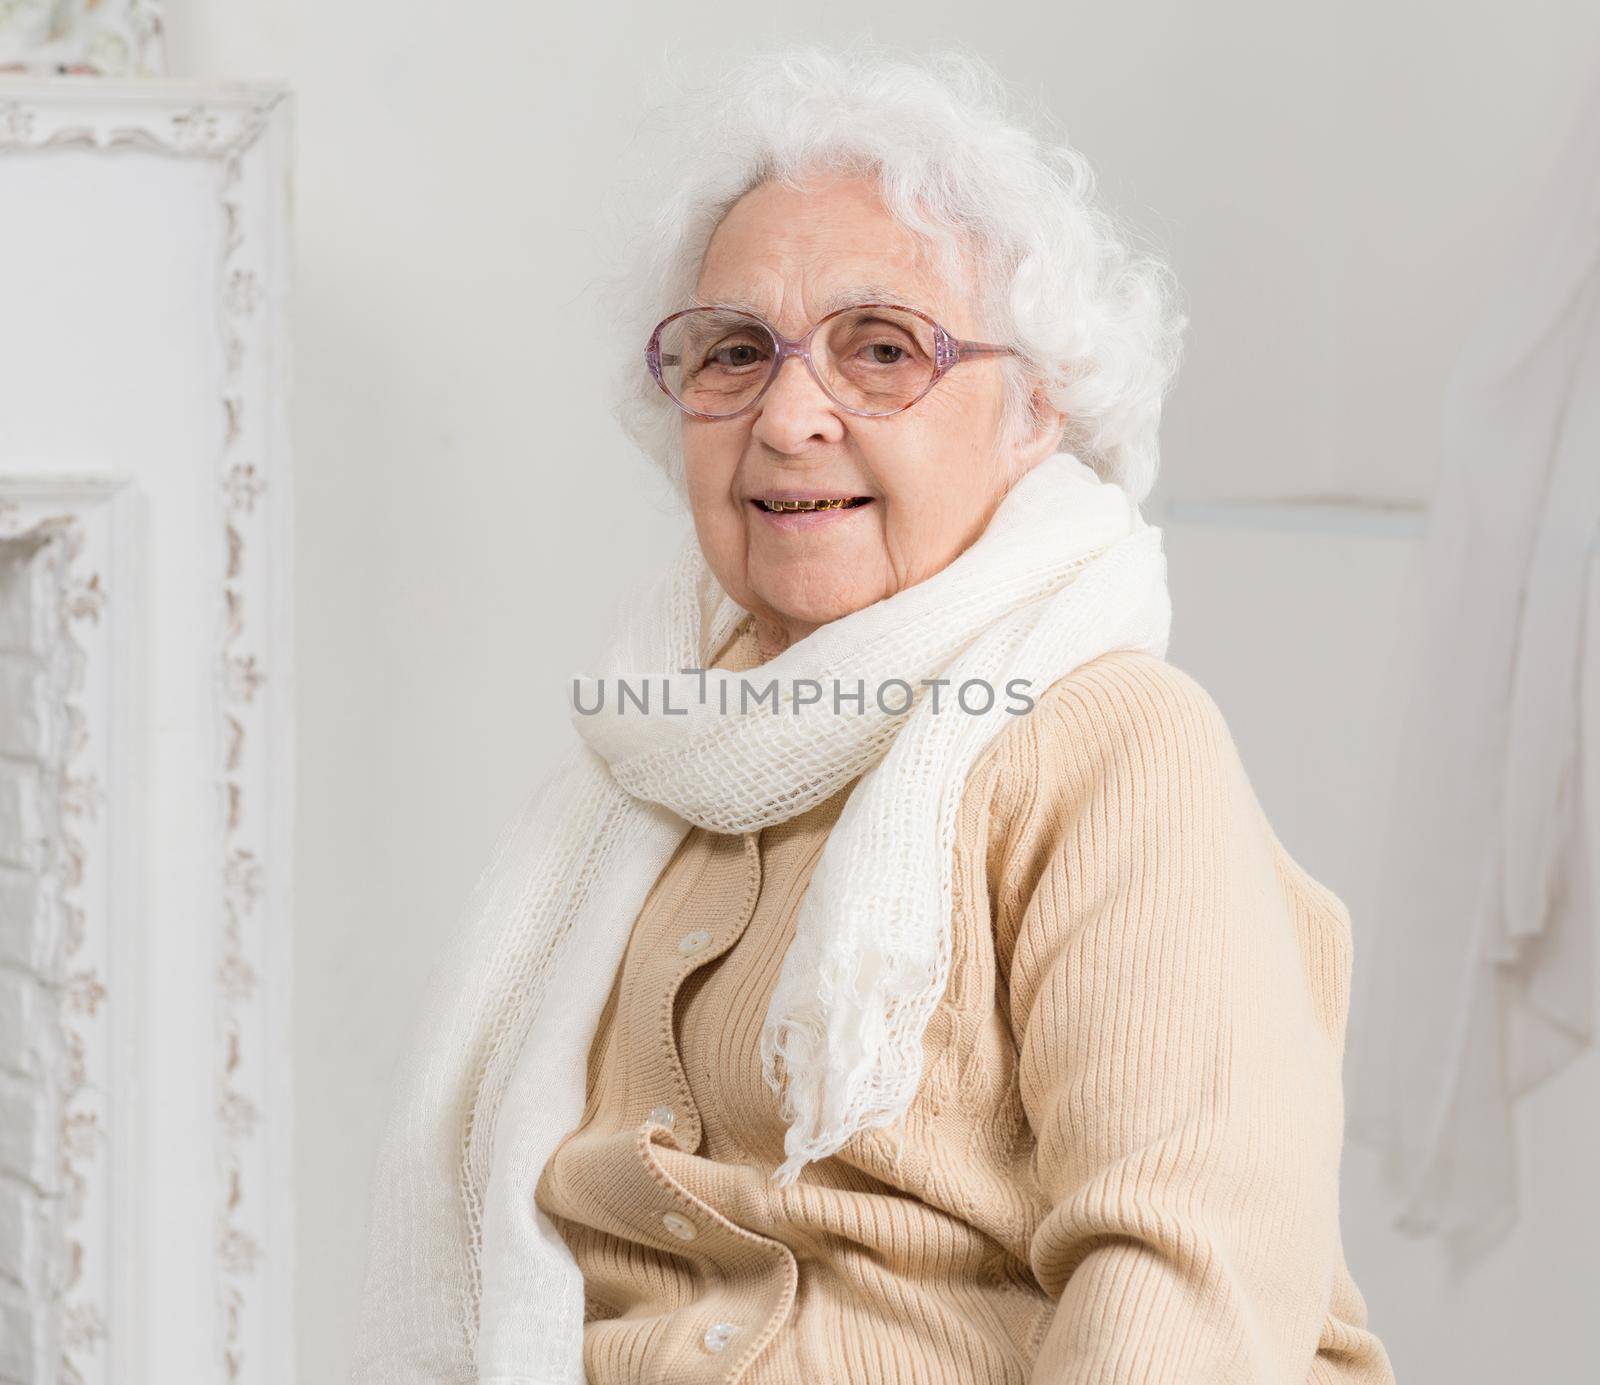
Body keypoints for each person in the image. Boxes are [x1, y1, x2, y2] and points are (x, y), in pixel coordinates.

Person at [353, 44, 1395, 1384]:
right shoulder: (647, 764)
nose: (792, 417)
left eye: (882, 350)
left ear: (1036, 409)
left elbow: (1182, 1289)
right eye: (737, 353)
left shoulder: (1112, 743)